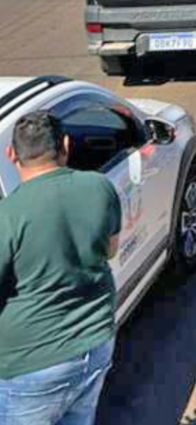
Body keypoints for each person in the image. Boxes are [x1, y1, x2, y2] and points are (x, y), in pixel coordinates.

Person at [0, 112, 120, 425]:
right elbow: (110, 249)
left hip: (32, 366)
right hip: (95, 344)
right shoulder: (99, 186)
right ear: (65, 145)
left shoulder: (8, 215)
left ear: (12, 155)